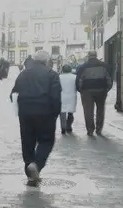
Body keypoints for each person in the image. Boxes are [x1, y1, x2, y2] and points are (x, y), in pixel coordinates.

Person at [10, 50, 61, 185]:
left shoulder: (24, 74)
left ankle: (30, 173)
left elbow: (13, 93)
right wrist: (55, 113)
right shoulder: (52, 74)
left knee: (27, 142)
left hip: (26, 113)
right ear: (46, 61)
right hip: (45, 113)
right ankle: (37, 165)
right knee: (46, 141)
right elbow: (56, 97)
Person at [76, 51, 112, 136]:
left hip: (87, 92)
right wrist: (106, 89)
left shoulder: (83, 67)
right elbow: (109, 80)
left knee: (88, 111)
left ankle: (90, 130)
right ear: (96, 56)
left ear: (88, 56)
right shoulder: (104, 66)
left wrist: (80, 90)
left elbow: (79, 81)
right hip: (101, 91)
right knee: (100, 110)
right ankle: (99, 129)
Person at [59, 64, 78, 134]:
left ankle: (63, 127)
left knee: (62, 113)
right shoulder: (75, 77)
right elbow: (78, 86)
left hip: (62, 96)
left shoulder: (59, 77)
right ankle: (69, 126)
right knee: (70, 113)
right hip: (72, 96)